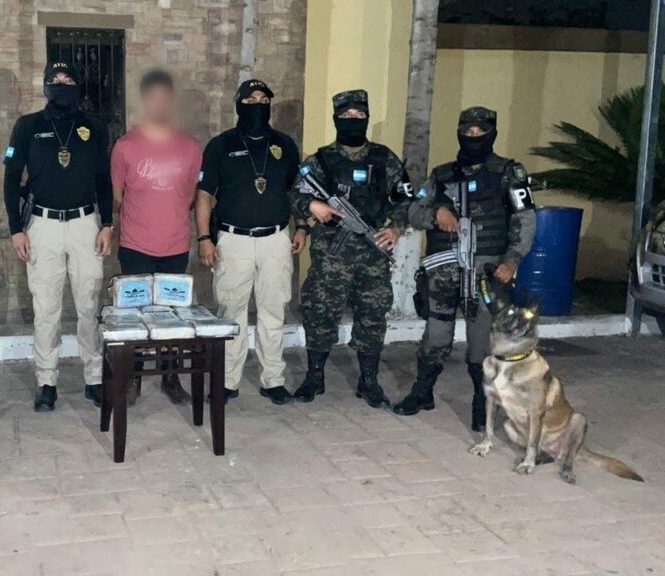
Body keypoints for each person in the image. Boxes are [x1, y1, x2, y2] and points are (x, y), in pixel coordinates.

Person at [393, 106, 535, 431]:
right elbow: (414, 212)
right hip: (443, 271)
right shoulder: (441, 175)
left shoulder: (509, 172)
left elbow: (525, 219)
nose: (473, 138)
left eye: (480, 132)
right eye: (467, 132)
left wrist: (512, 259)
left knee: (481, 339)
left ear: (492, 133)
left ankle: (482, 401)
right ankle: (423, 391)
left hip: (486, 271)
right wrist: (437, 213)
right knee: (436, 333)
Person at [3, 61, 113, 412]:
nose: (61, 84)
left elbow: (103, 178)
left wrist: (108, 224)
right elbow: (11, 179)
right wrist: (15, 229)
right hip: (42, 225)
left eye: (68, 79)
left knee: (89, 305)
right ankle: (46, 381)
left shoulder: (94, 127)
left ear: (78, 85)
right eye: (55, 79)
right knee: (46, 308)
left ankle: (94, 378)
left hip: (85, 224)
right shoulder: (28, 126)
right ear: (46, 86)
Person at [288, 89, 409, 408]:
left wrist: (396, 228)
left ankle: (369, 381)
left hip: (372, 255)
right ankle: (315, 377)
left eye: (359, 115)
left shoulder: (385, 159)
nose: (353, 120)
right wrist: (312, 205)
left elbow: (405, 199)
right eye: (347, 115)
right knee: (320, 313)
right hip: (331, 256)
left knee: (373, 316)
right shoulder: (319, 160)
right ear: (336, 119)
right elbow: (293, 195)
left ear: (367, 118)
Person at [196, 79, 306, 405]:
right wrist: (204, 238)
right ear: (239, 104)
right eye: (250, 99)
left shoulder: (284, 145)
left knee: (273, 310)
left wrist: (302, 227)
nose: (257, 104)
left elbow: (297, 191)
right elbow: (204, 195)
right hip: (233, 240)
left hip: (276, 239)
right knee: (231, 311)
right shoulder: (221, 145)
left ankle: (273, 380)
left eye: (263, 99)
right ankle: (228, 381)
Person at [111, 69, 202, 406]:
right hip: (135, 246)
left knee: (172, 317)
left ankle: (170, 376)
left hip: (175, 246)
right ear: (144, 102)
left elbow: (191, 195)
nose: (159, 104)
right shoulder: (126, 146)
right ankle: (133, 377)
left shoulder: (190, 148)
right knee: (134, 316)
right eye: (153, 98)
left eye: (165, 98)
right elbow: (117, 195)